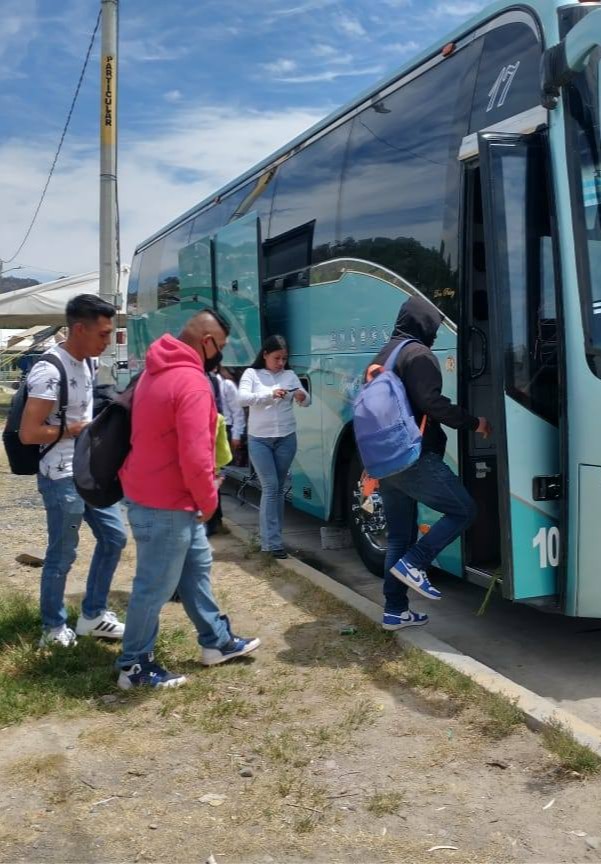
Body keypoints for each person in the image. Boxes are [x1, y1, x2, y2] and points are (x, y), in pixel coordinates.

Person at [116, 309, 260, 689]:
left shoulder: (154, 370)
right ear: (208, 342)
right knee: (154, 586)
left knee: (196, 569)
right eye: (223, 347)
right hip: (168, 501)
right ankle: (134, 666)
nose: (222, 355)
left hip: (150, 492)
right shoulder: (192, 383)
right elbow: (197, 457)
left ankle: (217, 641)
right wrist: (210, 502)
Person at [373, 295, 491, 631]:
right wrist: (474, 422)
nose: (436, 335)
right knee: (464, 510)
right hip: (414, 457)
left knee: (399, 535)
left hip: (386, 459)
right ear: (422, 323)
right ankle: (416, 563)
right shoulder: (419, 354)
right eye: (434, 327)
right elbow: (432, 403)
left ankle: (395, 610)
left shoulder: (387, 353)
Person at [20, 294, 127, 648]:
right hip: (59, 475)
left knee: (114, 538)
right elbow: (29, 432)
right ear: (79, 329)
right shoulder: (49, 371)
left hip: (89, 471)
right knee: (62, 554)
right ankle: (52, 627)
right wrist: (72, 430)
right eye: (104, 334)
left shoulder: (90, 364)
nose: (108, 341)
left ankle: (93, 615)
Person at [238, 335, 310, 559]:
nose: (281, 363)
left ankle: (275, 539)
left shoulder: (289, 376)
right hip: (260, 439)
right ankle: (270, 544)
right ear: (265, 354)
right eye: (277, 358)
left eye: (284, 358)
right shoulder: (252, 374)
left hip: (286, 438)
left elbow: (306, 400)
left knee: (278, 489)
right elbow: (242, 398)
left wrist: (301, 394)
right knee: (270, 487)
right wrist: (269, 394)